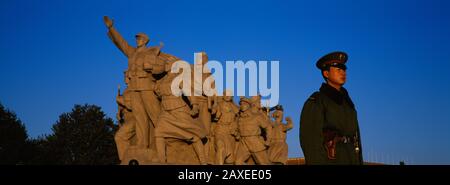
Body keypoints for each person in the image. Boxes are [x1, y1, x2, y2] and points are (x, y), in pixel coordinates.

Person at [104, 16, 161, 150]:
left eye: (140, 38)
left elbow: (160, 68)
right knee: (139, 117)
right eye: (136, 38)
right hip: (134, 88)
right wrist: (111, 28)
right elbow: (121, 43)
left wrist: (151, 69)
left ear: (145, 40)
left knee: (155, 115)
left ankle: (163, 142)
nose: (137, 40)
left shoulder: (151, 52)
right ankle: (142, 144)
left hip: (147, 87)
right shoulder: (132, 53)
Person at [299, 51, 363, 165]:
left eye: (344, 69)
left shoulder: (349, 104)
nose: (343, 73)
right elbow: (310, 143)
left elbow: (356, 139)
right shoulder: (316, 101)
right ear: (326, 73)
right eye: (338, 70)